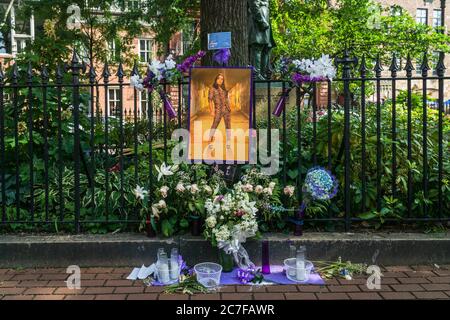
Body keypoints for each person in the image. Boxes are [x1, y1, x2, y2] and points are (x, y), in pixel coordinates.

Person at [208, 73, 232, 149]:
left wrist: (229, 107)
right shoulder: (212, 89)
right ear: (216, 79)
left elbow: (226, 99)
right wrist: (211, 110)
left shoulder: (224, 89)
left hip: (226, 110)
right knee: (215, 124)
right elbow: (210, 100)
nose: (220, 80)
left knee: (228, 126)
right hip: (218, 110)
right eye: (219, 78)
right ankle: (210, 138)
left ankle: (228, 141)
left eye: (222, 79)